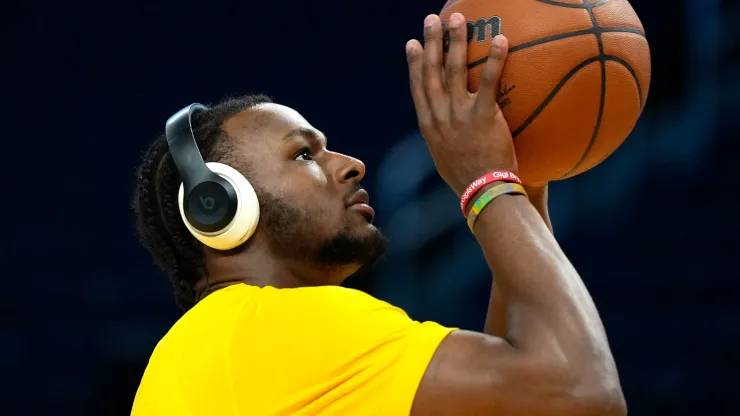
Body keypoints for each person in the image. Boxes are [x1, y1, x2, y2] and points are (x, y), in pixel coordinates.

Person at [131, 13, 625, 416]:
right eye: (304, 155)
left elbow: (512, 403)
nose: (351, 165)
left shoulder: (238, 345)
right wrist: (487, 180)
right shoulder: (279, 329)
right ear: (219, 204)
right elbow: (580, 392)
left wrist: (524, 180)